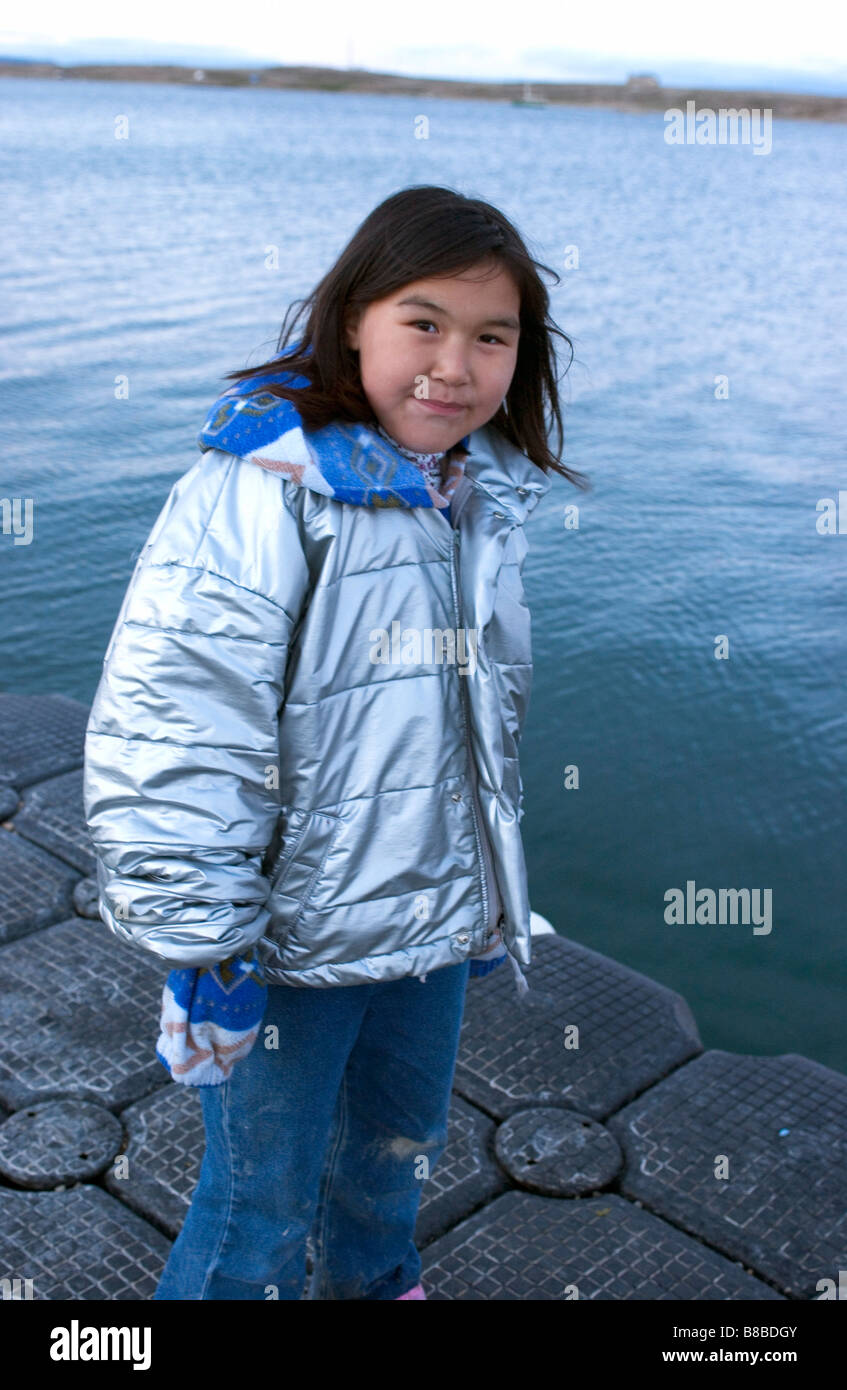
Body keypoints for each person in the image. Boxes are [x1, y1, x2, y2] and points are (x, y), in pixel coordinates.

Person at [82, 184, 590, 1301]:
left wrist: (487, 896)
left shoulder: (474, 498)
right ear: (350, 317)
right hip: (286, 941)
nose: (453, 365)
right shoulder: (266, 489)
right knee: (255, 1202)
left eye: (491, 337)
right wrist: (204, 936)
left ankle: (376, 1283)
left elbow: (477, 728)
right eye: (423, 323)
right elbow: (179, 711)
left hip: (432, 923)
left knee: (395, 1153)